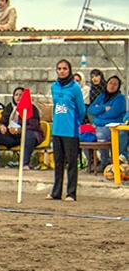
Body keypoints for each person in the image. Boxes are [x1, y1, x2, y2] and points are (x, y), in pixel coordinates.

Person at [48, 59, 86, 201]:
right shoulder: (54, 87)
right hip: (57, 129)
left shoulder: (75, 88)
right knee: (58, 162)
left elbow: (81, 109)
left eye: (65, 68)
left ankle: (71, 193)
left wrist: (75, 122)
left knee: (71, 162)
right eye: (59, 68)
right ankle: (56, 192)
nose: (62, 71)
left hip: (70, 131)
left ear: (69, 70)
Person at [0, 87, 44, 169]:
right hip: (10, 135)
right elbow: (2, 121)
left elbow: (34, 126)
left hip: (25, 136)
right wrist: (2, 126)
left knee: (29, 135)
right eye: (16, 95)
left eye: (21, 95)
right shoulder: (9, 107)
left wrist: (19, 130)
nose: (18, 97)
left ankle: (24, 163)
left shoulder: (31, 108)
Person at [87, 75, 127, 164]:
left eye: (115, 84)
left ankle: (106, 160)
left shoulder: (120, 98)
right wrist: (103, 108)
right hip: (98, 125)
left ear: (118, 87)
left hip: (111, 125)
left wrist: (97, 118)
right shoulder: (102, 96)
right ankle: (94, 162)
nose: (112, 86)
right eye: (110, 83)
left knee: (100, 135)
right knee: (83, 135)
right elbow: (91, 109)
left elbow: (113, 113)